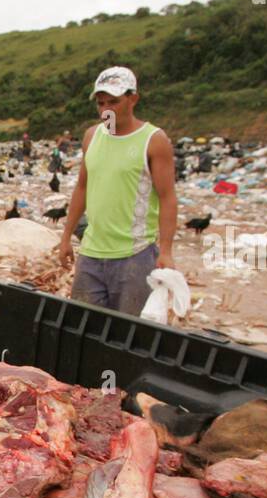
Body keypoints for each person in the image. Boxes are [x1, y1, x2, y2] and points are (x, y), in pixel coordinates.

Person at [59, 66, 178, 315]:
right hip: (91, 254)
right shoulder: (92, 136)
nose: (106, 110)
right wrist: (66, 236)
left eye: (113, 102)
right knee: (83, 330)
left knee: (130, 335)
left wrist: (166, 251)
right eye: (101, 103)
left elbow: (167, 198)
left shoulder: (153, 140)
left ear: (132, 99)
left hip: (134, 255)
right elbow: (82, 187)